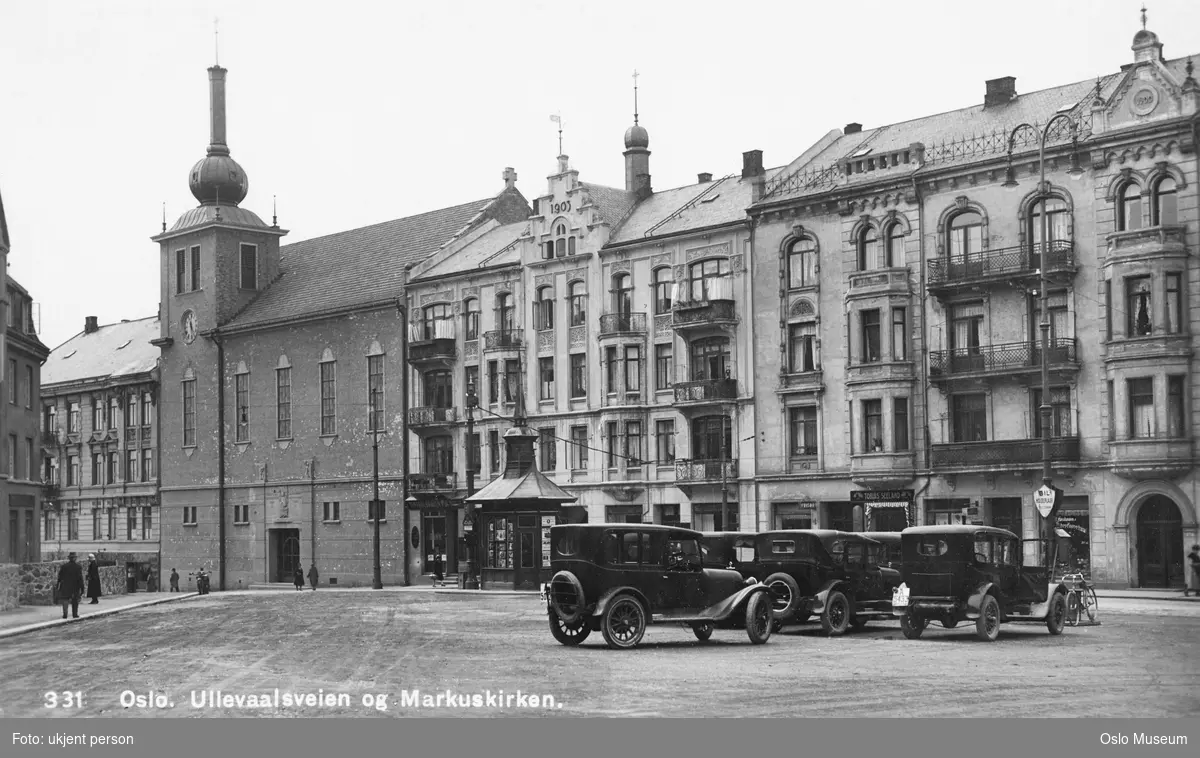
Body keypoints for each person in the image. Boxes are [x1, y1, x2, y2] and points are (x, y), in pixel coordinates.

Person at [56, 552, 84, 619]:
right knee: (75, 600)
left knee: (65, 600)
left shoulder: (64, 566)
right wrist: (82, 588)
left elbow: (60, 577)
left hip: (65, 586)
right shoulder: (78, 567)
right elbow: (80, 578)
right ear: (75, 558)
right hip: (75, 586)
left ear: (69, 558)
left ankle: (65, 614)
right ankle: (75, 614)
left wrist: (58, 585)